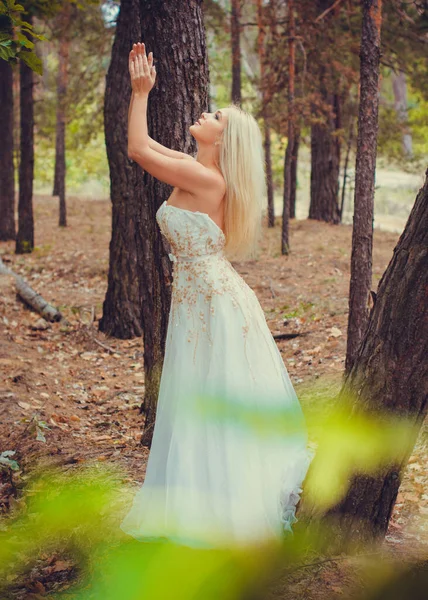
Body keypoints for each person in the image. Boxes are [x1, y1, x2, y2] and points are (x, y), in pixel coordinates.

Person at [120, 42, 312, 549]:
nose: (205, 113)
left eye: (215, 115)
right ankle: (204, 499)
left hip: (209, 301)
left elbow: (138, 149)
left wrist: (141, 92)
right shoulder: (195, 166)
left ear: (223, 139)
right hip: (205, 299)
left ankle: (223, 510)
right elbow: (148, 148)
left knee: (205, 396)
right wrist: (142, 93)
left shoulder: (206, 178)